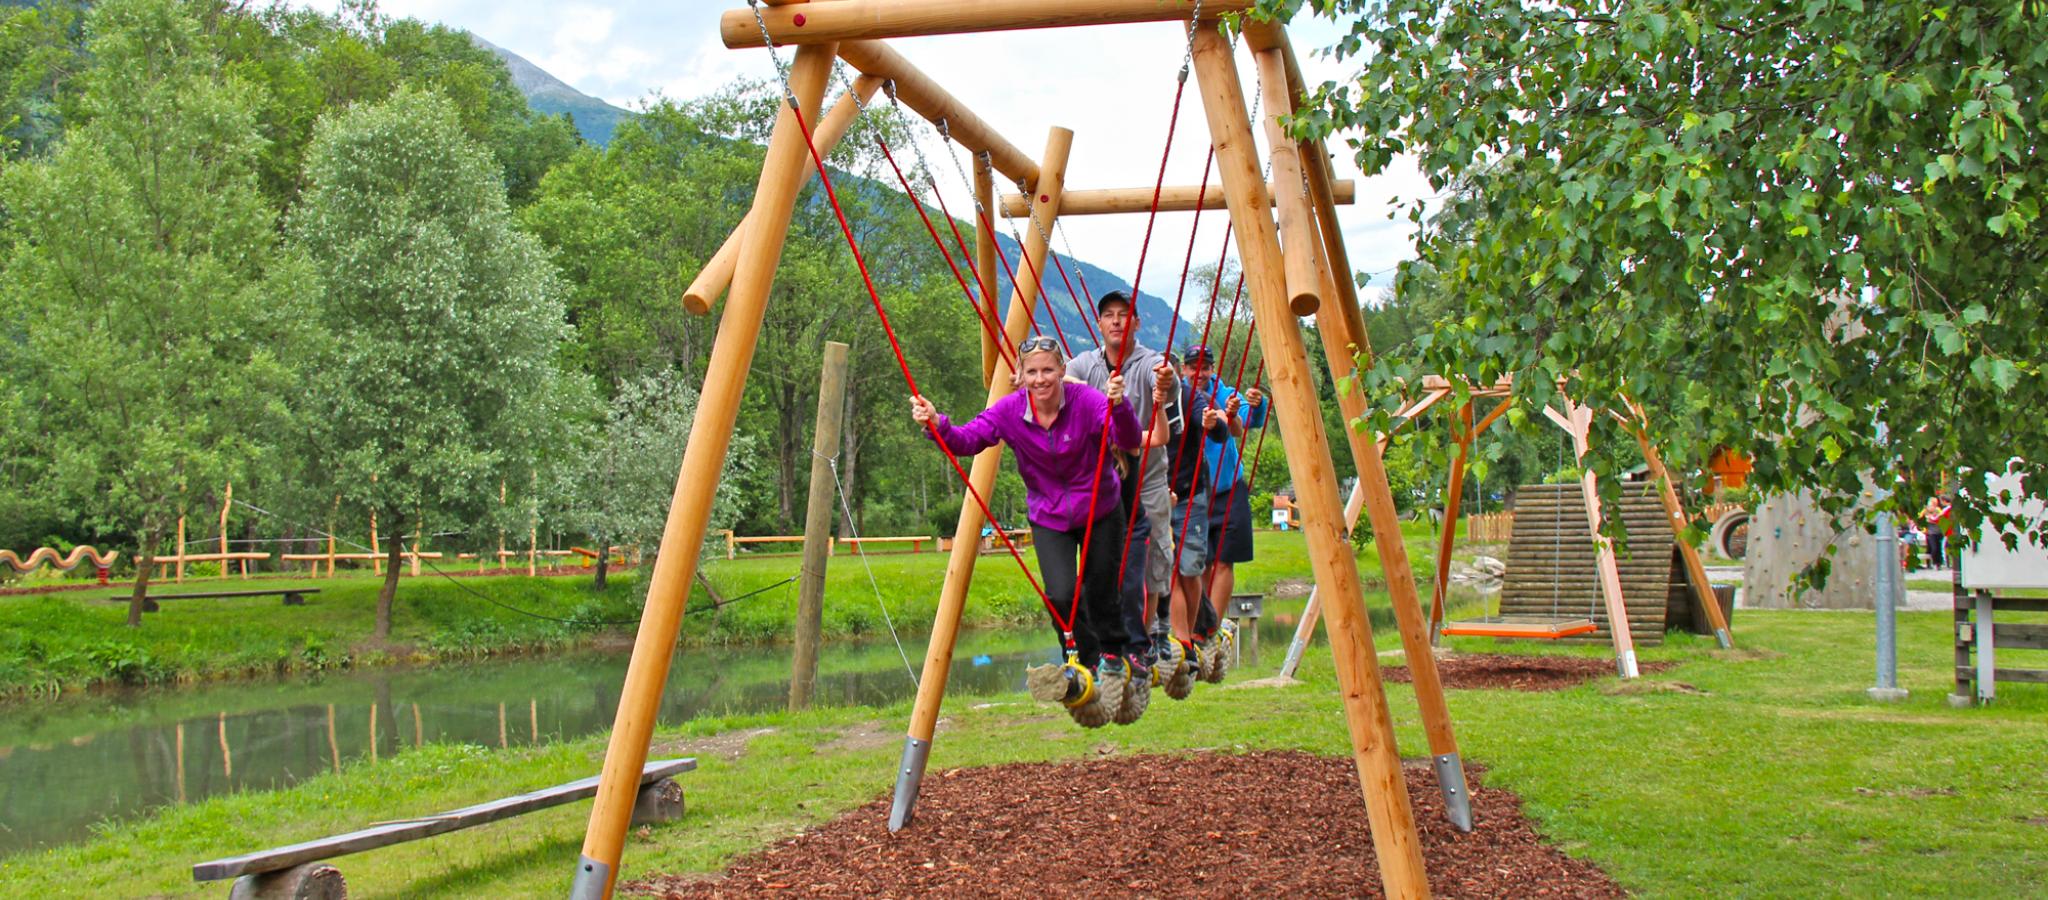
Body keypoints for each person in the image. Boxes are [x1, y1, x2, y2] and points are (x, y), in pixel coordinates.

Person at [910, 334, 1168, 725]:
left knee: (1099, 587)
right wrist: (936, 423)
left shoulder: (1089, 402)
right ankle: (1088, 656)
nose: (1040, 379)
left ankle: (1115, 652)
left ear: (1063, 372)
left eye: (1048, 370)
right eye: (1032, 371)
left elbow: (1131, 442)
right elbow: (966, 441)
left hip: (1099, 507)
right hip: (1049, 516)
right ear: (1020, 374)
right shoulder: (1009, 411)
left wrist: (1120, 407)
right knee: (1061, 594)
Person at [1065, 290, 1178, 673]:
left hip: (1145, 476)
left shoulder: (1148, 363)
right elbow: (1064, 381)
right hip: (1103, 480)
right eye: (1109, 315)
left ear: (1136, 324)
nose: (1116, 321)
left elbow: (1164, 377)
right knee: (1104, 564)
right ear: (1099, 324)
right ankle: (1110, 646)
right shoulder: (1086, 363)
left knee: (1149, 566)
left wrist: (1165, 381)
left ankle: (1148, 634)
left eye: (1124, 315)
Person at [1179, 345, 1267, 663]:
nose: (1199, 373)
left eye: (1205, 367)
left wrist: (1256, 405)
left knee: (1225, 560)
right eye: (1192, 367)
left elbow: (1245, 418)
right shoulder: (1179, 396)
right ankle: (1198, 627)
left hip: (1228, 486)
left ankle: (1211, 627)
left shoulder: (1224, 393)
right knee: (1199, 563)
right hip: (1195, 491)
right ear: (1184, 370)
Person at [1158, 350, 1232, 696]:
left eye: (1169, 374)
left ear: (1177, 375)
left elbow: (1219, 431)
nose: (1163, 380)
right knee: (1168, 568)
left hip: (1190, 494)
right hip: (1156, 496)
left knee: (1190, 568)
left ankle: (1203, 626)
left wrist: (1214, 423)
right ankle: (1182, 641)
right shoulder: (1145, 399)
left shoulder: (1192, 397)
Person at [1922, 492, 1954, 569]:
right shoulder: (1925, 511)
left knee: (1942, 548)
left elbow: (1938, 519)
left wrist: (1930, 519)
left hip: (1943, 532)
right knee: (1935, 548)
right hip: (1932, 533)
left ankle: (1943, 563)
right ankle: (1938, 563)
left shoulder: (1944, 510)